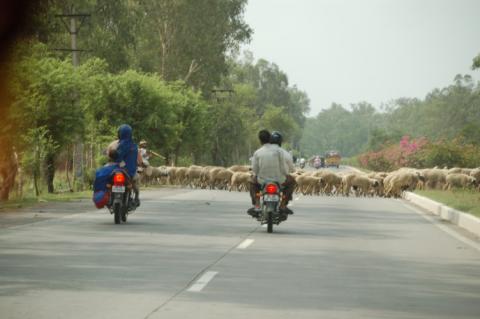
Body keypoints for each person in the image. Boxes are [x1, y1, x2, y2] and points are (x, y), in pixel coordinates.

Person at [248, 130, 296, 216]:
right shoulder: (279, 151)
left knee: (252, 182)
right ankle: (283, 204)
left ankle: (257, 204)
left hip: (262, 180)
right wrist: (286, 175)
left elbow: (255, 170)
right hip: (279, 180)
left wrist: (258, 174)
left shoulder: (257, 152)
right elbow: (282, 167)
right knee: (292, 182)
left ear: (260, 140)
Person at [110, 124, 141, 207]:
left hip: (118, 170)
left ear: (120, 134)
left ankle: (109, 197)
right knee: (136, 180)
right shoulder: (134, 146)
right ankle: (136, 198)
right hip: (130, 172)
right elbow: (138, 160)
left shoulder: (118, 145)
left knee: (109, 180)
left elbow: (115, 157)